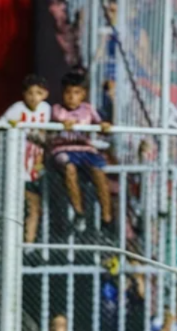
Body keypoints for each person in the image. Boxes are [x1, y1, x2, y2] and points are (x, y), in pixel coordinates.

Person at [50, 71, 113, 235]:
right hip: (64, 149)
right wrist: (64, 123)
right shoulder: (57, 109)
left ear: (83, 94)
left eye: (76, 93)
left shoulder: (88, 109)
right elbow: (59, 119)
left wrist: (104, 126)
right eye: (68, 92)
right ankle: (79, 213)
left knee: (99, 173)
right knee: (69, 168)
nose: (71, 97)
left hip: (85, 149)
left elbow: (101, 124)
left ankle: (107, 218)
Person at [1, 74, 51, 244]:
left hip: (34, 169)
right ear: (23, 94)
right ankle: (11, 245)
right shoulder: (16, 109)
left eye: (38, 93)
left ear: (45, 94)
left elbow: (47, 135)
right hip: (16, 168)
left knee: (34, 208)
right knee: (16, 207)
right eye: (30, 93)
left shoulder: (46, 109)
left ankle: (27, 245)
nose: (33, 97)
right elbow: (1, 126)